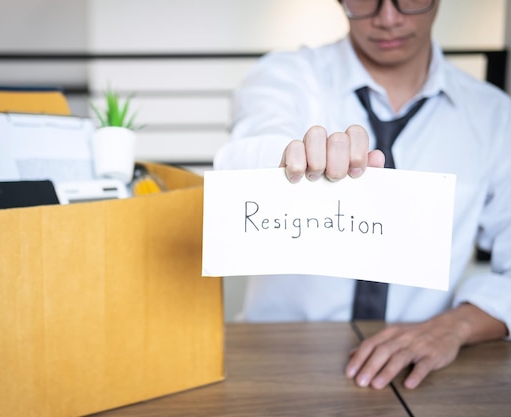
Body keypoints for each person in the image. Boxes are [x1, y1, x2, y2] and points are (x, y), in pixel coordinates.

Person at [213, 0, 511, 390]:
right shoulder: (285, 76)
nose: (388, 18)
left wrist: (455, 326)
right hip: (272, 360)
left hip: (418, 373)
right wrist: (287, 156)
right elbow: (253, 140)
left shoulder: (494, 117)